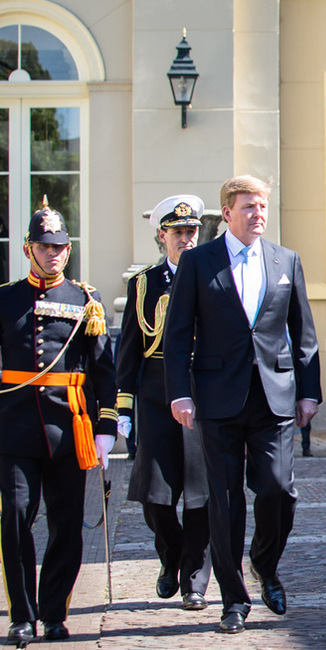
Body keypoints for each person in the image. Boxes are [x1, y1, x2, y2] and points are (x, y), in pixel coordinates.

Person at [163, 175, 322, 634]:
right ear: (228, 212)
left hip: (273, 396)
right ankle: (234, 600)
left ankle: (264, 563)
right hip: (216, 397)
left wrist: (310, 391)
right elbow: (177, 336)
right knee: (225, 501)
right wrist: (180, 392)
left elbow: (304, 333)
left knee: (277, 490)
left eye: (263, 206)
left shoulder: (285, 259)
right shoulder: (198, 261)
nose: (258, 214)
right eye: (249, 206)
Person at [0, 203, 117, 644]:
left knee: (66, 526)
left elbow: (103, 369)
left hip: (69, 430)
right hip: (13, 427)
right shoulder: (5, 298)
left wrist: (106, 427)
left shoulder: (86, 300)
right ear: (29, 248)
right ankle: (21, 615)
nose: (53, 254)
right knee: (14, 518)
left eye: (60, 247)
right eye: (45, 247)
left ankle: (53, 612)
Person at [115, 195, 210, 610]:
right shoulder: (144, 284)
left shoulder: (213, 275)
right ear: (162, 236)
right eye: (179, 233)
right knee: (155, 495)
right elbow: (129, 351)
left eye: (192, 232)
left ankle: (194, 580)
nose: (187, 240)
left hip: (203, 391)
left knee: (201, 495)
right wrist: (121, 408)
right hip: (156, 394)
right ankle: (171, 555)